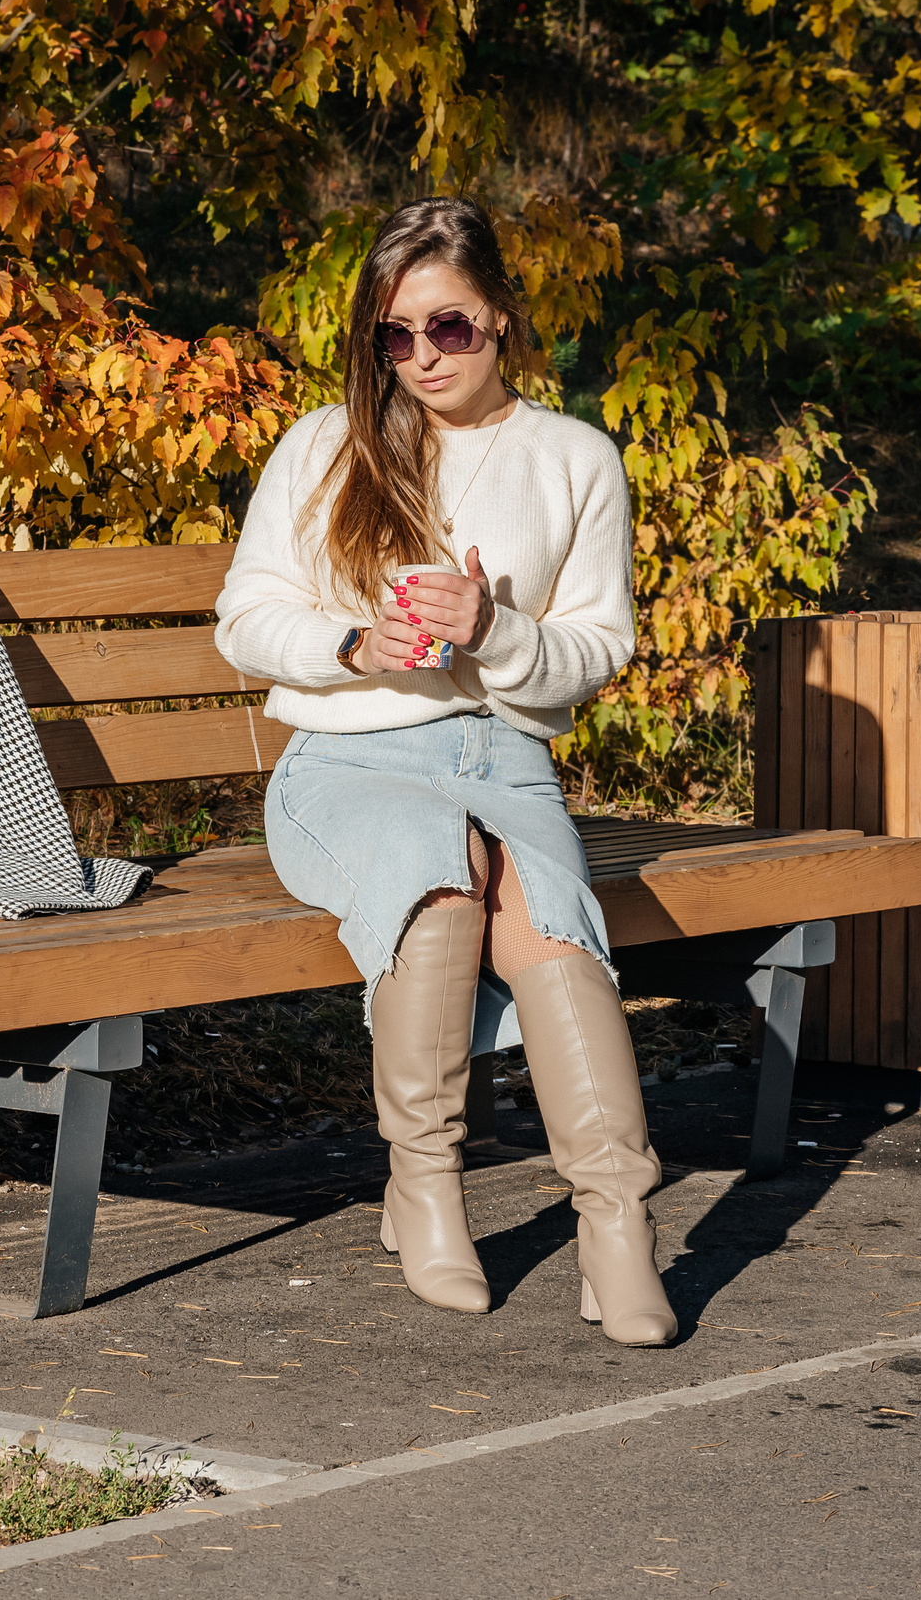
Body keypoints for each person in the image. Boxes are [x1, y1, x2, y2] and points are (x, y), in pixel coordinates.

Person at [213, 196, 673, 1346]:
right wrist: (349, 644)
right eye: (395, 336)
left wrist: (492, 630)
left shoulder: (573, 457)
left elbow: (595, 652)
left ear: (502, 319)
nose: (421, 357)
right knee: (443, 886)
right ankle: (424, 1184)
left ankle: (615, 1224)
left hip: (501, 757)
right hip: (349, 760)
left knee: (555, 930)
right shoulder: (325, 444)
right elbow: (244, 619)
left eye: (449, 328)